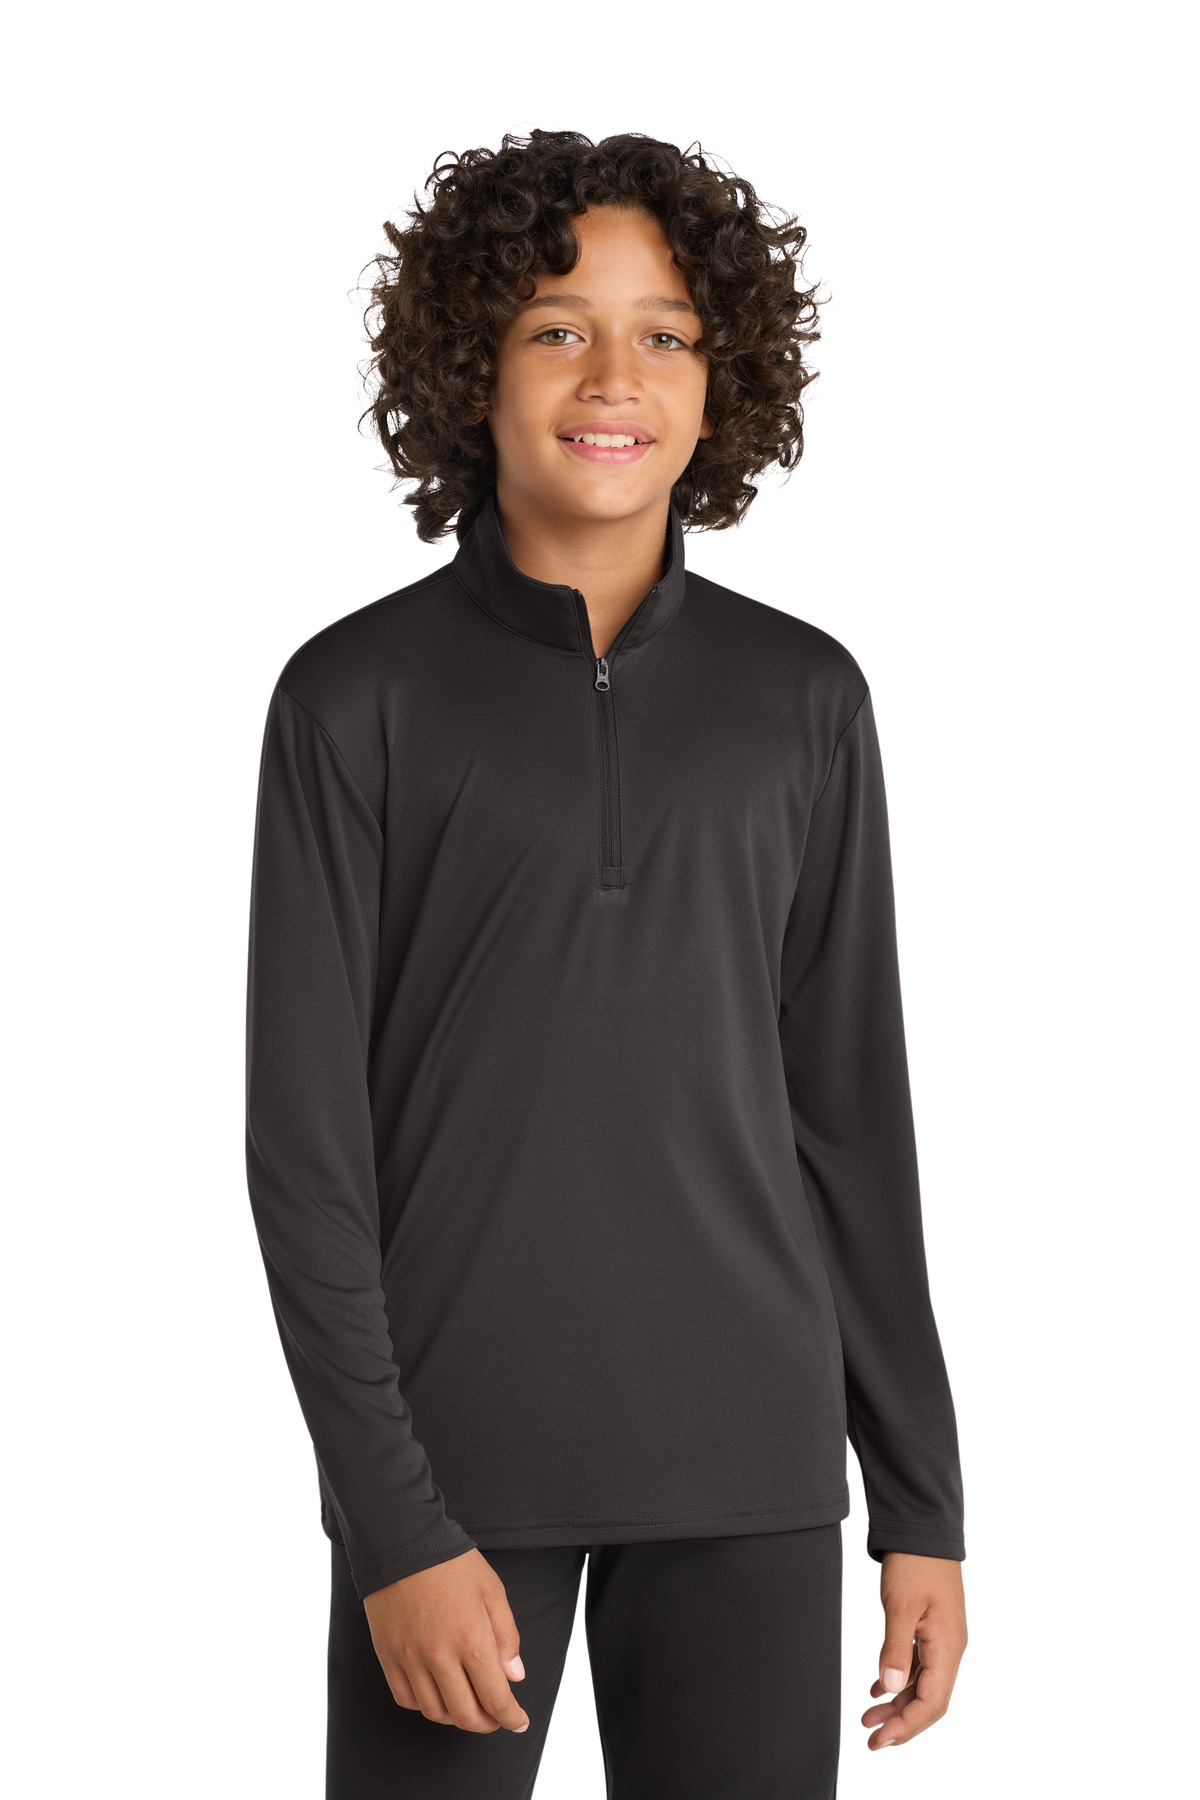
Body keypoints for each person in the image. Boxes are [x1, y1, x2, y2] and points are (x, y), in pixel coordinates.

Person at [244, 128, 968, 1800]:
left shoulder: (804, 700)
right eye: (558, 328)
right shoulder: (352, 700)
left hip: (753, 1477)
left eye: (668, 334)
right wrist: (390, 1524)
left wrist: (920, 1501)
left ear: (725, 383)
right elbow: (305, 1157)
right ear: (472, 366)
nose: (614, 377)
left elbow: (853, 1125)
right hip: (456, 1489)